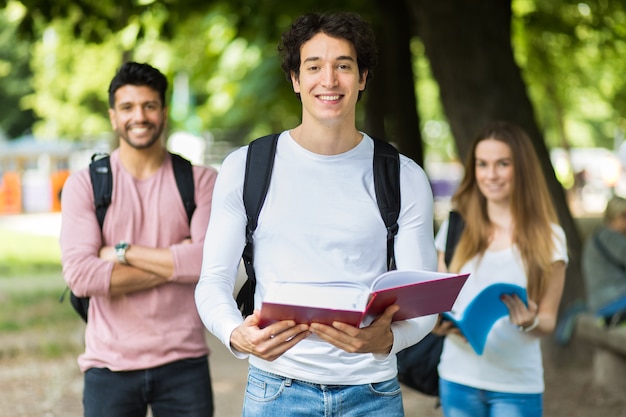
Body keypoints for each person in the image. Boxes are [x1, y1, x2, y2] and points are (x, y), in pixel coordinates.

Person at [195, 12, 437, 417]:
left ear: (362, 78)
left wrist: (388, 341)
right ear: (295, 79)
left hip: (372, 393)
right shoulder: (248, 167)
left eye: (343, 65)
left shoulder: (403, 176)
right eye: (314, 67)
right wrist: (236, 334)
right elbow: (212, 282)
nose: (329, 80)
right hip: (276, 390)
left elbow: (424, 301)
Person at [59, 62, 218, 417]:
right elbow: (81, 277)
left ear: (163, 112)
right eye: (128, 107)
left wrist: (121, 252)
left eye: (149, 105)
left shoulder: (201, 181)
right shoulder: (85, 185)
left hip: (184, 361)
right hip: (108, 364)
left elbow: (209, 262)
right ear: (113, 116)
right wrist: (179, 262)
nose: (139, 116)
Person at [432, 121, 568, 416]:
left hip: (516, 385)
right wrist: (438, 321)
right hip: (457, 379)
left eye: (502, 164)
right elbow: (439, 299)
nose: (490, 175)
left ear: (521, 169)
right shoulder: (456, 228)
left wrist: (529, 320)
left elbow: (548, 320)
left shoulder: (550, 237)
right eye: (482, 164)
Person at [582, 195, 626, 325]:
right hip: (612, 298)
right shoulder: (611, 237)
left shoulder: (598, 235)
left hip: (599, 300)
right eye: (624, 215)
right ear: (614, 216)